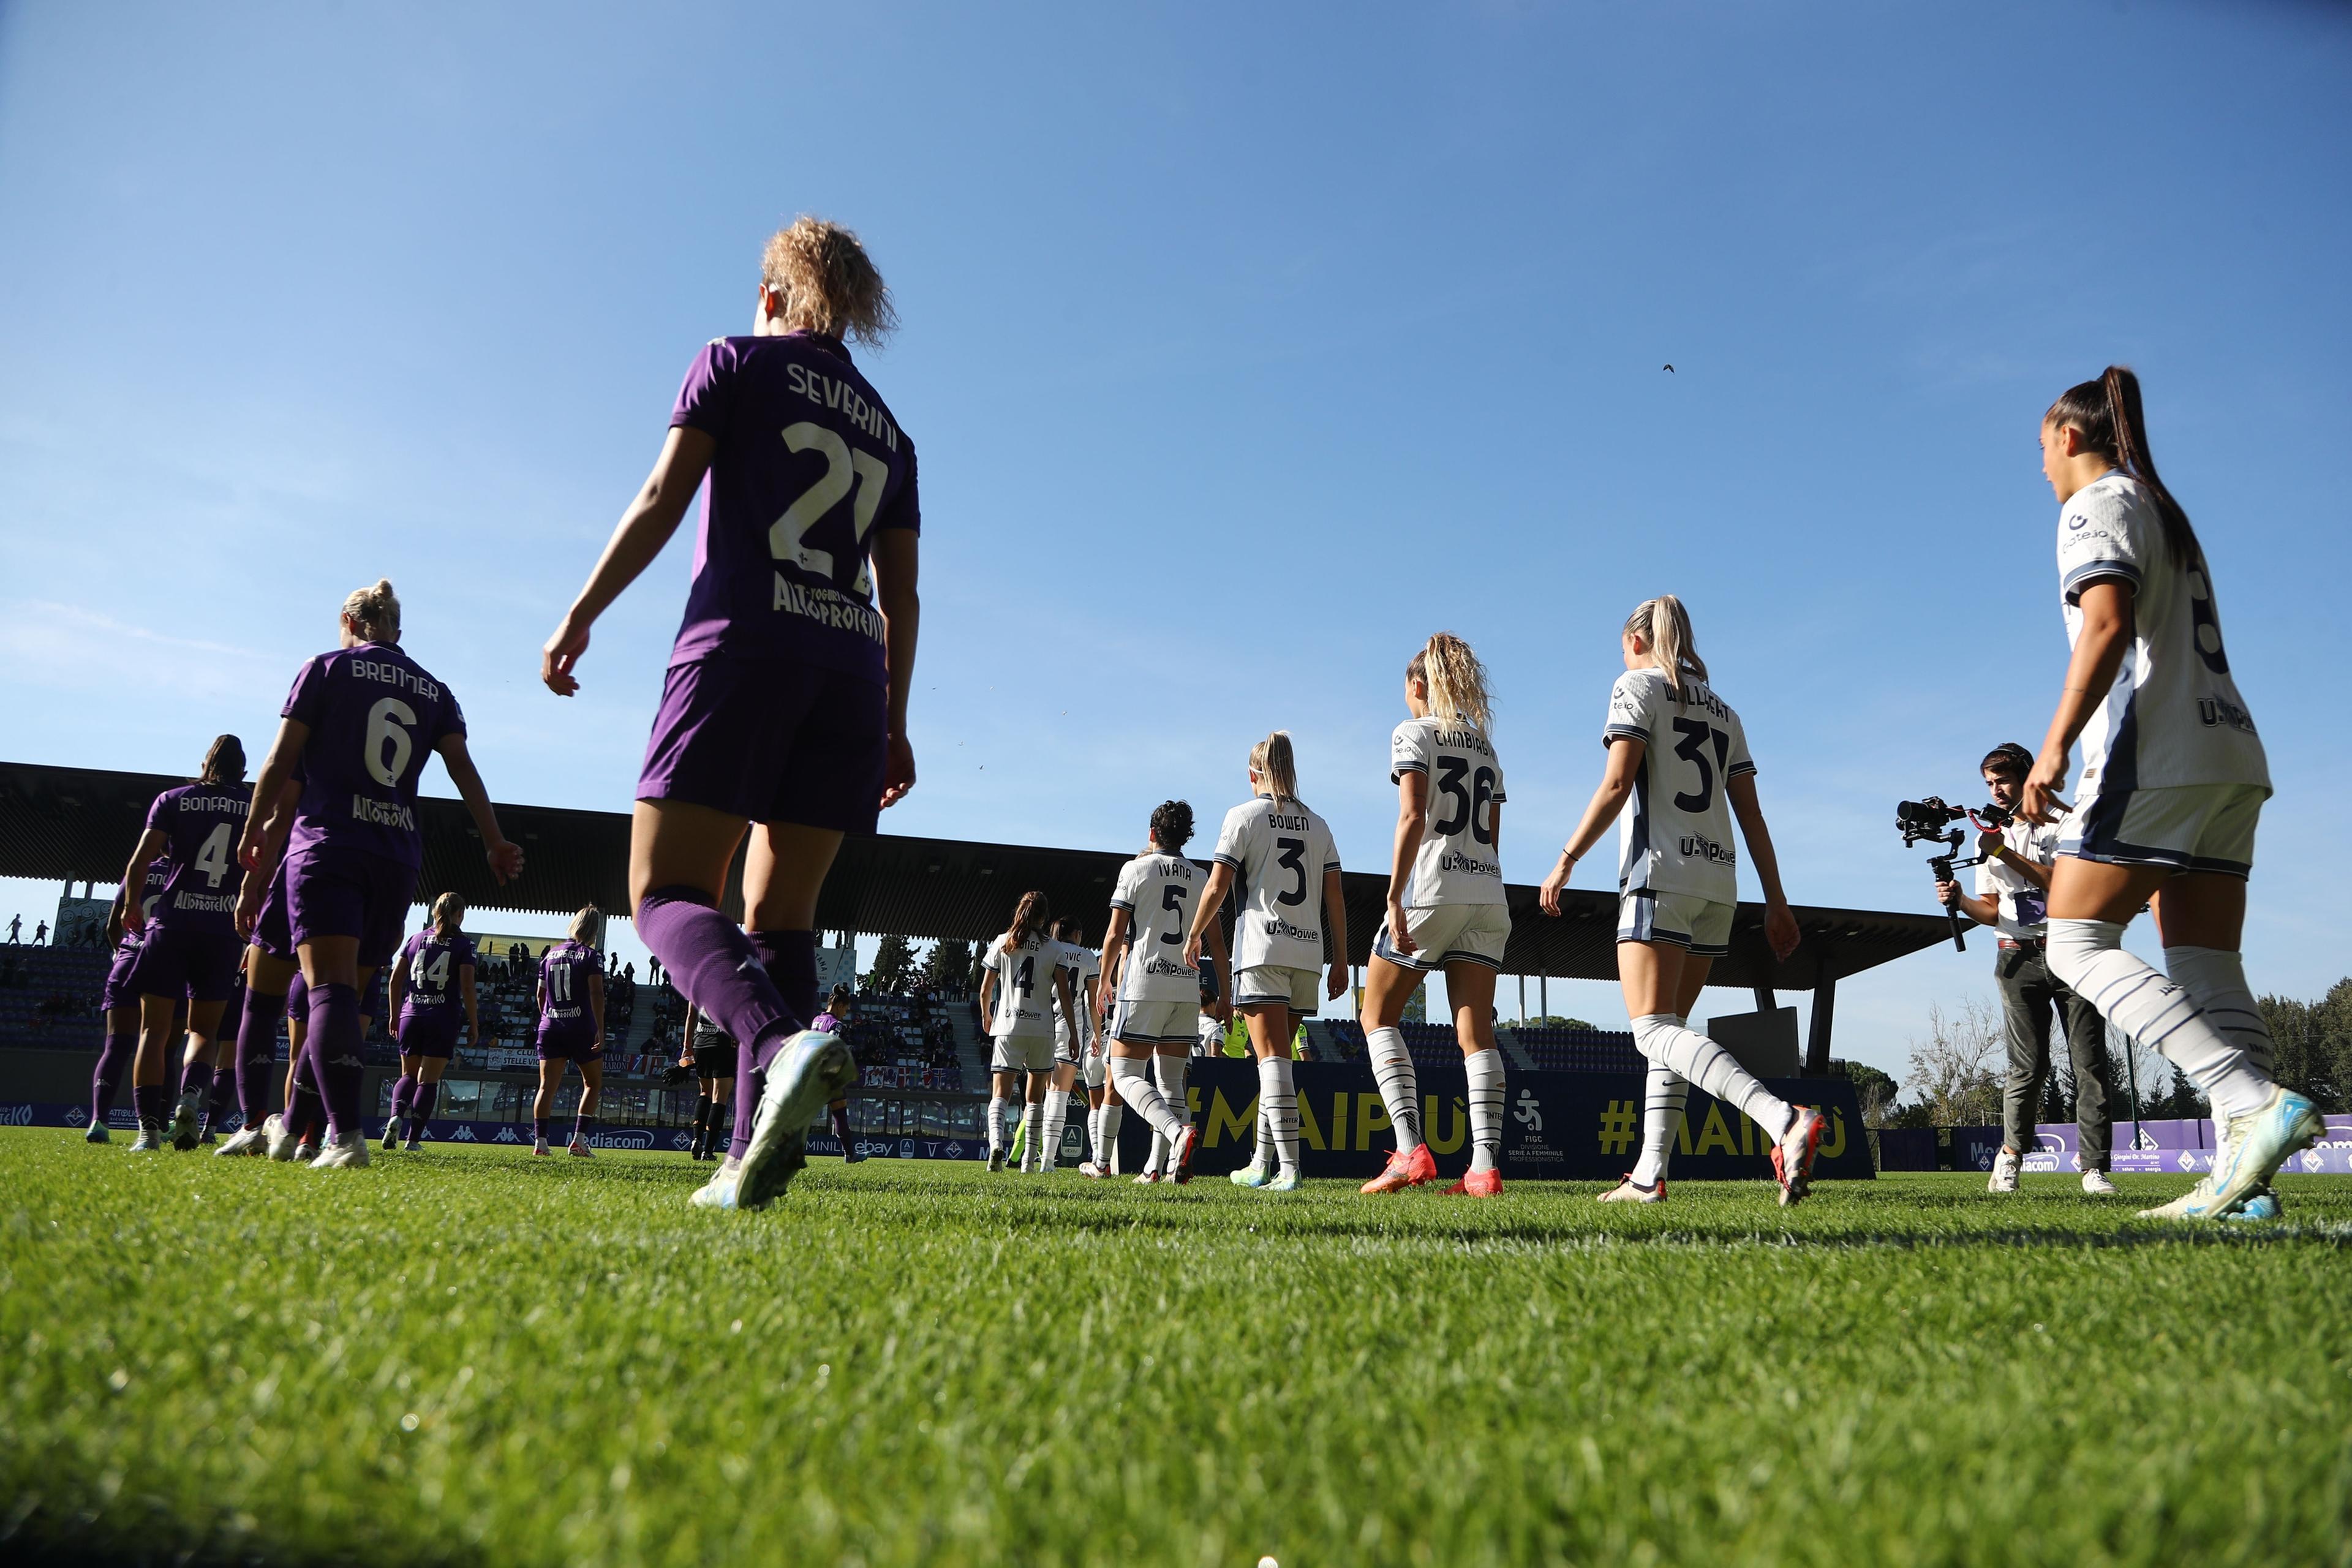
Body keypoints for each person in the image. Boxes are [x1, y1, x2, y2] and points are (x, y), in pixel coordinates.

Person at [540, 217, 914, 1213]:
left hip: (743, 645)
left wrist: (581, 613)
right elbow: (905, 595)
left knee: (661, 894)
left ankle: (778, 1041)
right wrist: (897, 720)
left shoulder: (733, 361)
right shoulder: (890, 431)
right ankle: (750, 1156)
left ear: (774, 295)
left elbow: (667, 493)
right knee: (779, 917)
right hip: (852, 669)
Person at [2021, 368, 2321, 1221]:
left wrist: (2053, 748)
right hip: (2231, 750)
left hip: (2158, 754)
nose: (2042, 467)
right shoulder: (2165, 512)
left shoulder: (2094, 506)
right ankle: (2245, 1182)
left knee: (2075, 941)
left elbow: (2108, 627)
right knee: (2206, 962)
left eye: (2043, 448)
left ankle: (2251, 1104)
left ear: (2070, 437)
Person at [1538, 595, 1822, 1207]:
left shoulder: (1636, 686)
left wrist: (1566, 857)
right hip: (1719, 884)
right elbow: (1752, 815)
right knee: (1670, 1032)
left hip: (1659, 876)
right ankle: (1649, 1173)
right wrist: (1777, 900)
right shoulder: (1726, 711)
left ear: (1637, 642)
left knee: (1650, 1030)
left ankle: (1782, 1118)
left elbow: (1617, 783)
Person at [236, 579, 523, 1170]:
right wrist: (493, 840)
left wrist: (255, 828)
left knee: (329, 993)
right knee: (345, 1000)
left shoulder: (325, 668)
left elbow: (280, 758)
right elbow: (463, 768)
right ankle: (293, 1128)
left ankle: (345, 1136)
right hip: (396, 855)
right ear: (396, 630)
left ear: (349, 620)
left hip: (330, 844)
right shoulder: (434, 688)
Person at [1357, 635, 1514, 1199]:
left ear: (1418, 686)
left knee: (1376, 1014)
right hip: (1487, 890)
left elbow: (1414, 815)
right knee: (1476, 1034)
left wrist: (1394, 895)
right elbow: (1494, 836)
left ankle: (1408, 1150)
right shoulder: (1486, 747)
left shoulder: (1412, 733)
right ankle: (1483, 1168)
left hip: (1433, 888)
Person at [1934, 742, 2117, 1195]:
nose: (1996, 791)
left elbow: (2064, 886)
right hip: (2016, 956)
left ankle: (2093, 1168)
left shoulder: (2067, 822)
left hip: (2072, 950)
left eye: (2004, 781)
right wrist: (1959, 901)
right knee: (2026, 1067)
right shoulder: (1989, 836)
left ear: (2027, 778)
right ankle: (2012, 1157)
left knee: (2089, 1064)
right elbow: (1993, 911)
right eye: (1989, 784)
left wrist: (2004, 854)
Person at [1186, 732, 1348, 1194]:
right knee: (1271, 1060)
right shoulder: (1320, 825)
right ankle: (1260, 1162)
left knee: (1272, 1059)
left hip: (1262, 948)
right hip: (1308, 953)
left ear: (1253, 773)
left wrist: (1195, 933)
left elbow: (1217, 886)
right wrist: (1339, 959)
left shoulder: (1243, 816)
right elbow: (1334, 895)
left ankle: (1290, 1169)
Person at [117, 736, 251, 1152]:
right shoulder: (255, 808)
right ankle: (191, 1096)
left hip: (172, 924)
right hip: (224, 930)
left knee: (154, 1032)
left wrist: (131, 905)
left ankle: (148, 1133)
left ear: (206, 763)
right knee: (203, 1031)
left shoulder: (173, 799)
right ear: (243, 771)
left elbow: (141, 859)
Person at [1098, 802, 1229, 1185]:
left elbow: (1114, 935)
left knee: (1123, 1074)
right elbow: (1218, 942)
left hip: (1143, 984)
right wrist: (1223, 992)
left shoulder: (1136, 869)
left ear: (1152, 833)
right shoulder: (1202, 876)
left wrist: (1105, 980)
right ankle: (1162, 1169)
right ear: (1187, 836)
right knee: (1172, 1081)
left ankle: (1176, 1135)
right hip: (1186, 988)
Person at [978, 892, 1076, 1172]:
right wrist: (1073, 1033)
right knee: (1035, 1099)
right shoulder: (1055, 949)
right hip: (1043, 1028)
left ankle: (996, 1145)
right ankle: (1028, 1163)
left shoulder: (1002, 942)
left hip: (1008, 1025)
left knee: (1000, 1094)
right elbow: (1065, 995)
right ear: (1044, 918)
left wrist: (987, 1014)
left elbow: (985, 990)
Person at [382, 893, 484, 1151]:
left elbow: (395, 981)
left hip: (411, 1014)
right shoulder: (464, 945)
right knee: (428, 1081)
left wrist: (395, 1014)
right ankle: (413, 1139)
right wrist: (474, 1023)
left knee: (408, 1074)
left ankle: (396, 1116)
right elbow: (468, 986)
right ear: (460, 914)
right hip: (442, 1016)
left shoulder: (415, 939)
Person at [88, 864, 168, 1145]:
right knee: (160, 1046)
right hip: (164, 965)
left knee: (116, 1047)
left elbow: (112, 926)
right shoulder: (187, 872)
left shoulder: (139, 872)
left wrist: (120, 954)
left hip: (128, 961)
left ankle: (99, 1121)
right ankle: (154, 1124)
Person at [533, 907, 608, 1157]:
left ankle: (541, 1144)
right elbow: (597, 993)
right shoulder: (591, 956)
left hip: (551, 1026)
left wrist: (549, 1016)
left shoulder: (550, 955)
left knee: (547, 1087)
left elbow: (540, 995)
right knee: (593, 1082)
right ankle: (579, 1140)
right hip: (580, 1026)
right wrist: (600, 1027)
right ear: (594, 930)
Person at [1040, 919, 1103, 1175]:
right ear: (1077, 933)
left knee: (1044, 1094)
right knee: (1059, 1094)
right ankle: (1047, 1162)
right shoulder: (1088, 957)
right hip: (1070, 1027)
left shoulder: (1048, 950)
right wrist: (1097, 1034)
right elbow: (1092, 1002)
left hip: (1041, 1023)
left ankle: (1036, 1158)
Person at [810, 984, 863, 1162]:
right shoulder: (836, 1024)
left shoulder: (816, 1020)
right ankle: (850, 1155)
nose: (845, 1014)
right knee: (840, 1114)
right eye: (846, 1010)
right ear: (840, 1006)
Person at [678, 1003, 737, 1161]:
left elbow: (691, 1015)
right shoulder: (731, 980)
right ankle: (708, 1151)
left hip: (700, 1042)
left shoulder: (698, 979)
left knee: (705, 1092)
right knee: (720, 1098)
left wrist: (686, 1047)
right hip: (723, 1041)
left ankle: (697, 1138)